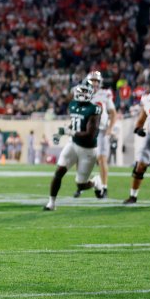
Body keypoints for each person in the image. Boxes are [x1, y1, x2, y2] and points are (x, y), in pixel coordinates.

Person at [44, 80, 101, 211]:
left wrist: (70, 132)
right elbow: (75, 123)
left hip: (88, 150)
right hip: (73, 144)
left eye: (84, 92)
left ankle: (95, 182)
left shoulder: (94, 109)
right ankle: (51, 203)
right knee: (58, 172)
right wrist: (61, 133)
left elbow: (90, 135)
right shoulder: (73, 104)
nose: (81, 94)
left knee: (81, 185)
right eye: (80, 91)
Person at [124, 77, 150, 204]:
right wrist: (138, 128)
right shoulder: (148, 100)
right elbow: (142, 117)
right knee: (140, 166)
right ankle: (133, 196)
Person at [86, 71, 116, 198]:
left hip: (102, 130)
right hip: (88, 131)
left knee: (102, 159)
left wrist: (110, 128)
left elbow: (113, 113)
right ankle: (84, 184)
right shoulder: (84, 94)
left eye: (96, 81)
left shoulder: (105, 94)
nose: (94, 83)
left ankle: (104, 187)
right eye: (92, 80)